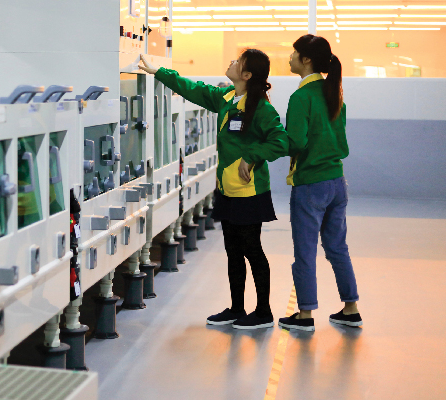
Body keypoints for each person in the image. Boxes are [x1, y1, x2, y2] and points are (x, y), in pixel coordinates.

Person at [139, 51, 288, 330]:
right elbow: (193, 89)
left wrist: (251, 155)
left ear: (247, 75)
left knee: (251, 249)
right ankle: (236, 308)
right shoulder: (227, 98)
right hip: (227, 189)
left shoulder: (262, 109)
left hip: (250, 192)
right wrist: (159, 71)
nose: (231, 61)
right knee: (233, 250)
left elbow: (281, 142)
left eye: (238, 61)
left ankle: (264, 311)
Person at [278, 35, 362, 333]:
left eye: (295, 53)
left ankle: (304, 314)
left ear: (306, 60)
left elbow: (296, 142)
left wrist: (272, 139)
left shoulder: (300, 97)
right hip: (337, 182)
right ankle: (350, 308)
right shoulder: (334, 93)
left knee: (305, 250)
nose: (290, 57)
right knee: (337, 247)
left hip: (310, 184)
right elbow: (340, 140)